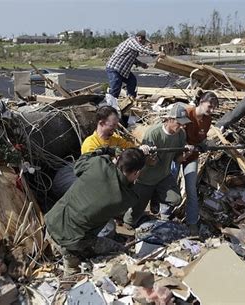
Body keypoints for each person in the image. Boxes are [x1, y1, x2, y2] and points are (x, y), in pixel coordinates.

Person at [45, 148, 146, 276]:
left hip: (51, 222)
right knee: (117, 247)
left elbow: (79, 165)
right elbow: (132, 191)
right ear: (136, 173)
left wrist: (105, 150)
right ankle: (71, 266)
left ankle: (54, 249)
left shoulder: (99, 163)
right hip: (72, 242)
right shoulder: (126, 198)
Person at [123, 102, 194, 228]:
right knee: (136, 210)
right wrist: (150, 161)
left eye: (183, 124)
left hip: (163, 175)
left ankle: (155, 196)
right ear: (170, 120)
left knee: (175, 199)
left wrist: (186, 155)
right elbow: (143, 159)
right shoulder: (154, 133)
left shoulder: (180, 135)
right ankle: (127, 225)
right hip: (146, 178)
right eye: (179, 123)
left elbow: (177, 159)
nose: (181, 127)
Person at [177, 91, 219, 235]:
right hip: (176, 155)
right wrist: (185, 146)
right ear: (201, 102)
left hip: (191, 156)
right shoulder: (187, 112)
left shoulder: (207, 120)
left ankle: (192, 222)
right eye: (210, 106)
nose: (211, 110)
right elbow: (178, 133)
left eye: (214, 108)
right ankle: (165, 216)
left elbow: (201, 138)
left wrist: (205, 143)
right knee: (170, 186)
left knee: (191, 189)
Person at [105, 30, 162, 107]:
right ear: (139, 38)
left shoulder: (134, 46)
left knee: (132, 81)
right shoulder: (132, 41)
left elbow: (132, 59)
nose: (143, 43)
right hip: (114, 68)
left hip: (123, 71)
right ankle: (110, 106)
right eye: (143, 41)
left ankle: (130, 100)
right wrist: (157, 53)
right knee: (116, 85)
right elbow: (142, 49)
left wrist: (141, 64)